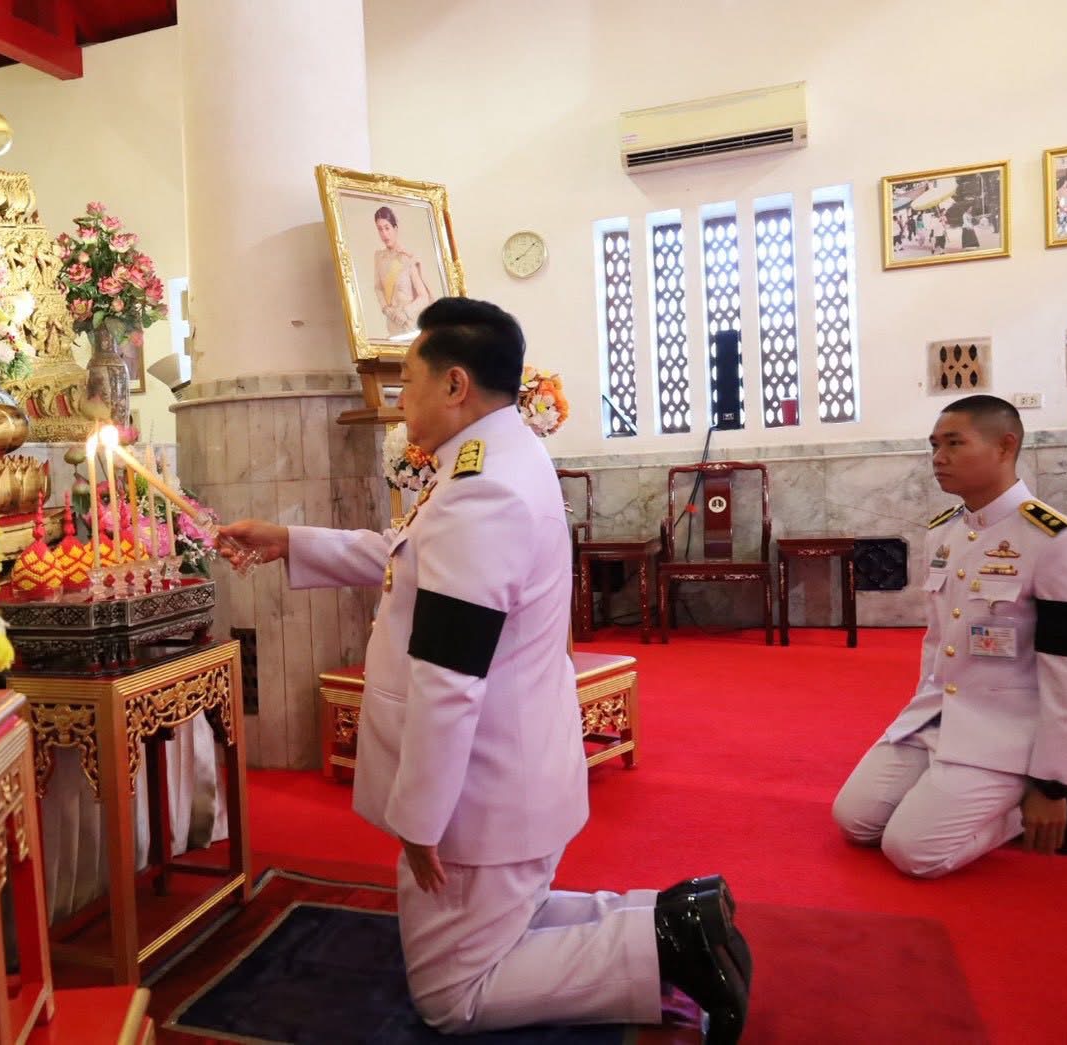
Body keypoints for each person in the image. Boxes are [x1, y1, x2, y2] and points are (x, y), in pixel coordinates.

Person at [218, 298, 750, 1041]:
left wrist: (419, 815)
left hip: (481, 782)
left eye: (407, 379)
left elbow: (448, 672)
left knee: (453, 992)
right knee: (506, 919)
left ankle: (664, 941)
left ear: (455, 383)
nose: (400, 398)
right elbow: (414, 560)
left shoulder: (482, 490)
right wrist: (291, 541)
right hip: (508, 763)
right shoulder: (494, 457)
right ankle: (670, 912)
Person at [832, 395, 1067, 878]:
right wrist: (919, 714)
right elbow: (937, 643)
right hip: (940, 717)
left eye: (955, 443)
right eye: (935, 445)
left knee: (914, 853)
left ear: (1005, 446)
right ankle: (951, 790)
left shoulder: (1060, 542)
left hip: (1009, 731)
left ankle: (1033, 804)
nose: (939, 457)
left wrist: (1051, 781)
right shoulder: (945, 534)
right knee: (855, 822)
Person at [371, 206, 435, 338]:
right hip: (392, 325)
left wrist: (405, 313)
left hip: (411, 324)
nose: (384, 234)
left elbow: (424, 297)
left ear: (395, 228)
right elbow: (378, 288)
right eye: (380, 229)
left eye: (387, 228)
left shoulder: (407, 258)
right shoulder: (379, 257)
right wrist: (386, 309)